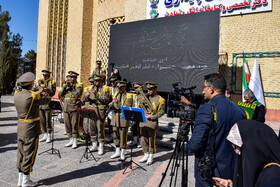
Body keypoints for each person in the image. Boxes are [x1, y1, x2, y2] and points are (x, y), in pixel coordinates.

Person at [188, 73, 246, 187]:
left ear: (211, 89)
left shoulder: (206, 109)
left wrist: (188, 145)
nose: (203, 91)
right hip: (231, 172)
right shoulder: (240, 110)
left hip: (210, 175)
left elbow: (195, 145)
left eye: (204, 88)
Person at [213, 119, 280, 187]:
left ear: (254, 145)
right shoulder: (264, 171)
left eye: (237, 146)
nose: (237, 151)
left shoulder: (272, 176)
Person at [14, 72, 51, 187]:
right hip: (31, 129)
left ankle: (20, 180)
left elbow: (31, 94)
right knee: (29, 154)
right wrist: (45, 92)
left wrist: (37, 91)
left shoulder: (17, 94)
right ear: (30, 85)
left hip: (20, 127)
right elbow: (47, 100)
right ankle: (26, 181)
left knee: (21, 153)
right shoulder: (32, 96)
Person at [81, 75, 110, 155]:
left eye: (97, 81)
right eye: (94, 81)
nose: (95, 83)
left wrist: (96, 94)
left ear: (101, 81)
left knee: (100, 129)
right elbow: (83, 100)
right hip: (91, 110)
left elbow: (106, 100)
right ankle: (94, 145)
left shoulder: (105, 88)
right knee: (92, 128)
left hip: (100, 111)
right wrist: (85, 96)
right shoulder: (89, 88)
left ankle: (101, 146)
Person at [138, 82, 165, 165]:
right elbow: (140, 106)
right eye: (148, 89)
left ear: (155, 89)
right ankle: (145, 154)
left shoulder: (161, 99)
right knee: (143, 139)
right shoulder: (145, 97)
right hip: (143, 121)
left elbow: (161, 112)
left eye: (150, 89)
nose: (148, 91)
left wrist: (151, 116)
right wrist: (140, 100)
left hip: (152, 122)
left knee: (151, 140)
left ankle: (151, 156)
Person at [58, 71, 83, 149]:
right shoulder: (67, 85)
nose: (70, 79)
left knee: (74, 124)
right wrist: (65, 87)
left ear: (75, 78)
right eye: (70, 77)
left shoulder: (79, 85)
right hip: (66, 107)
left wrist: (71, 88)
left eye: (72, 77)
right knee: (67, 124)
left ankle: (75, 140)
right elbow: (60, 94)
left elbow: (78, 94)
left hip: (74, 107)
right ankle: (70, 139)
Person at [110, 81, 133, 161]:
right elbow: (114, 107)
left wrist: (117, 103)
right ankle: (117, 151)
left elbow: (126, 107)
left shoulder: (128, 96)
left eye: (121, 87)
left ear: (124, 87)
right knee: (115, 134)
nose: (119, 89)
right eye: (118, 87)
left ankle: (123, 152)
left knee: (123, 136)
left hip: (123, 118)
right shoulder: (116, 94)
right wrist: (111, 104)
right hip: (115, 118)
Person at [33, 70, 56, 143]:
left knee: (48, 120)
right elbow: (37, 92)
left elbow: (53, 93)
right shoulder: (40, 82)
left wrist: (48, 90)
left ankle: (49, 134)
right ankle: (44, 134)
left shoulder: (52, 82)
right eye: (44, 76)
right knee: (42, 120)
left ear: (49, 76)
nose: (44, 77)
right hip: (41, 103)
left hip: (47, 103)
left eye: (46, 76)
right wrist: (35, 88)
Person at [130, 82, 143, 147]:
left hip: (140, 113)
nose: (135, 90)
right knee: (133, 127)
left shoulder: (144, 96)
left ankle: (140, 142)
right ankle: (134, 140)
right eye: (135, 88)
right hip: (134, 113)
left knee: (140, 128)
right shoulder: (133, 95)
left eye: (137, 88)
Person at [106, 76, 119, 142]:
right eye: (111, 82)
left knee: (116, 124)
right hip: (110, 108)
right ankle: (111, 135)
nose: (112, 83)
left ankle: (117, 137)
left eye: (114, 81)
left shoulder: (119, 89)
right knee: (110, 123)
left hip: (116, 108)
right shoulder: (109, 88)